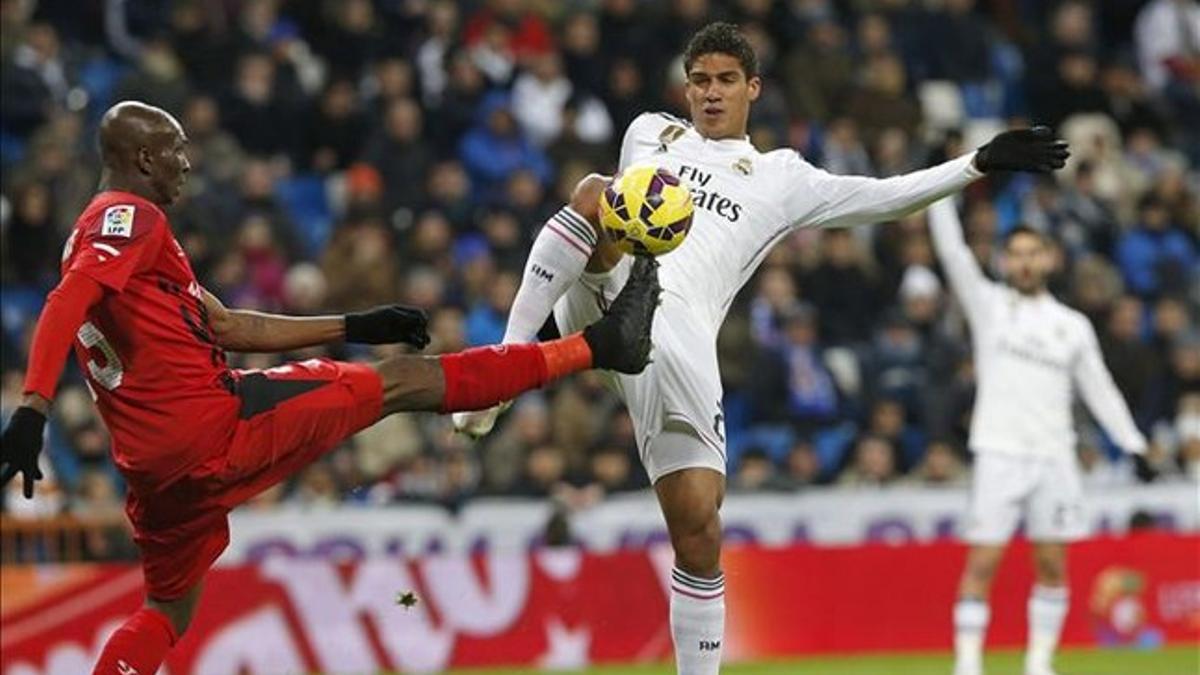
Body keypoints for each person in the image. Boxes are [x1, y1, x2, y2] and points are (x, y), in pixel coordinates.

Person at [454, 22, 1069, 674]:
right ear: (684, 88)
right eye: (699, 81)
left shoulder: (781, 177)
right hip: (613, 292)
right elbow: (593, 212)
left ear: (752, 88)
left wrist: (976, 163)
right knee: (592, 194)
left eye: (724, 81)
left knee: (698, 531)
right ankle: (502, 370)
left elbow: (883, 199)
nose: (710, 94)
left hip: (680, 342)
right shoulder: (648, 133)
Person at [0, 100, 661, 675]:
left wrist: (357, 324)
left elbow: (229, 323)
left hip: (154, 474)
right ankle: (601, 345)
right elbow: (65, 302)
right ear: (143, 157)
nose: (187, 164)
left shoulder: (104, 236)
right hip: (214, 427)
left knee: (167, 608)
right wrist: (33, 405)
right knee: (405, 382)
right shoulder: (128, 219)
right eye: (176, 151)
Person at [926, 198, 1147, 675]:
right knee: (982, 562)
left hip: (1054, 456)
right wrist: (940, 194)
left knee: (1051, 564)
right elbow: (953, 255)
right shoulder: (988, 307)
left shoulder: (1072, 326)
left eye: (1033, 252)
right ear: (1005, 260)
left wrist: (1133, 442)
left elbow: (1100, 390)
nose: (1024, 261)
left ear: (1049, 258)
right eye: (1016, 253)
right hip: (998, 451)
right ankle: (967, 665)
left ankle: (1039, 663)